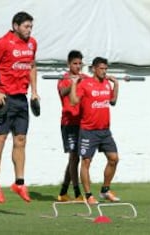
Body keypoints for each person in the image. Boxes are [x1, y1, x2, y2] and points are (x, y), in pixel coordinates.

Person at [0, 11, 39, 203]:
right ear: (16, 26)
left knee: (21, 140)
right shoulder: (3, 42)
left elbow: (32, 66)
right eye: (26, 26)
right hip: (5, 99)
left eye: (31, 26)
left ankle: (19, 183)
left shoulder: (32, 43)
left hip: (22, 99)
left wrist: (34, 91)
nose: (29, 30)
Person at [70, 57, 120, 205]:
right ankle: (89, 195)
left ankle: (105, 190)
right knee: (86, 162)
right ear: (94, 69)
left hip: (104, 131)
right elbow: (73, 101)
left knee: (114, 159)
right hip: (88, 131)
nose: (104, 72)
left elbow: (113, 101)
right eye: (101, 69)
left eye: (106, 69)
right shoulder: (85, 84)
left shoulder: (106, 84)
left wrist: (116, 84)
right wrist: (73, 84)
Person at [57, 50, 90, 202]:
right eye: (75, 64)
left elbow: (94, 84)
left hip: (82, 122)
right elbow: (63, 92)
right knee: (74, 157)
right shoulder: (64, 79)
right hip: (68, 123)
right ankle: (77, 193)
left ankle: (63, 192)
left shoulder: (84, 78)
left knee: (74, 158)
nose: (78, 66)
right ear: (69, 64)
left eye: (79, 64)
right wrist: (73, 83)